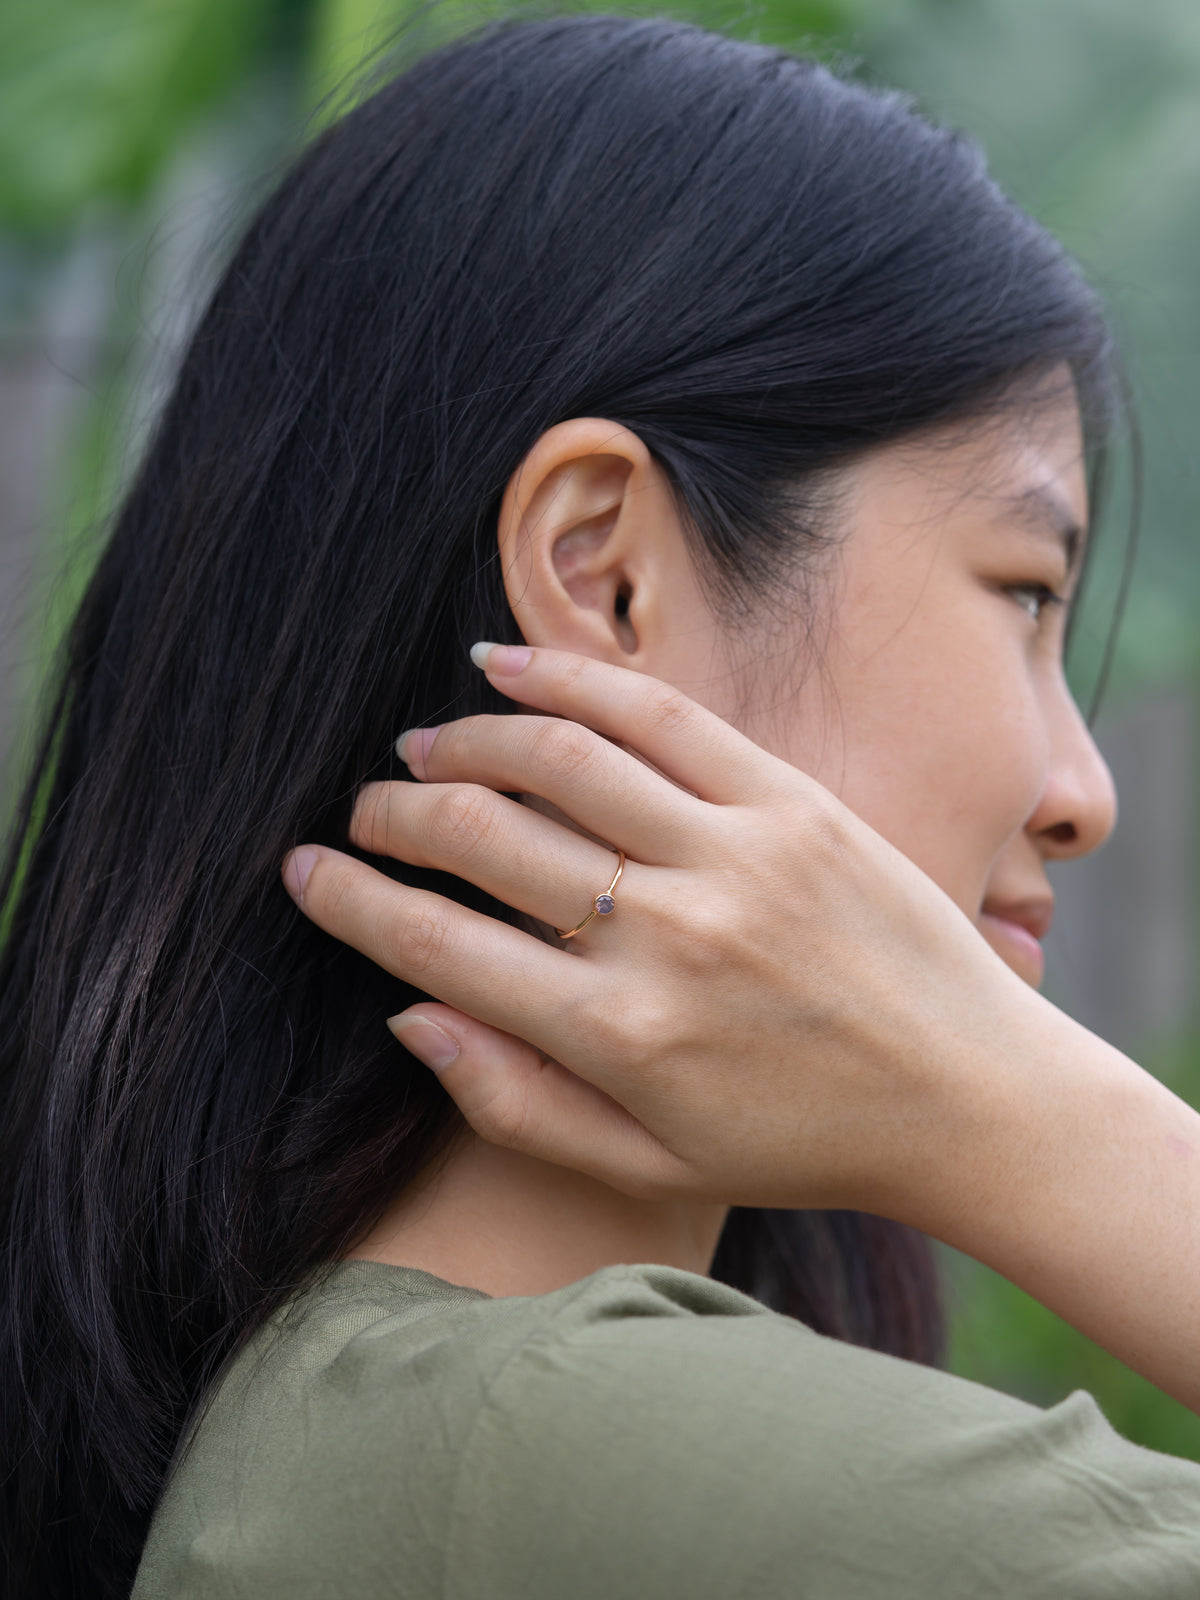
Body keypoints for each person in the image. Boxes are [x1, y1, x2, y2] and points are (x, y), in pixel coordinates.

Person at [3, 13, 1200, 1597]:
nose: (1083, 794)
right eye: (1023, 592)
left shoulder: (451, 1437)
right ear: (603, 571)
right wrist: (1027, 1126)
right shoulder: (545, 1450)